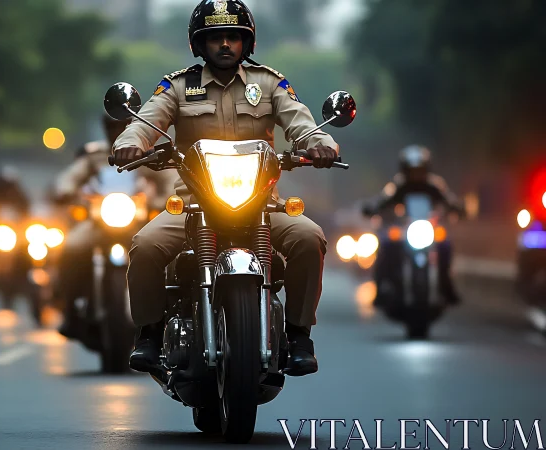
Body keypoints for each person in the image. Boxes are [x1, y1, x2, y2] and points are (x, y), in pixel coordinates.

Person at [111, 0, 340, 376]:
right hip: (193, 204)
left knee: (309, 237)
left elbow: (300, 121)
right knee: (146, 245)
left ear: (246, 43)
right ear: (198, 45)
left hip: (262, 202)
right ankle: (149, 335)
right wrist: (131, 143)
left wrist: (321, 144)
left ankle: (299, 336)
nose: (224, 45)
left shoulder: (269, 84)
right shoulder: (178, 86)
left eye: (233, 37)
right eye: (215, 38)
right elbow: (147, 121)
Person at [53, 115, 177, 339]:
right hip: (99, 223)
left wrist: (161, 200)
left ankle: (166, 311)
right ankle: (70, 309)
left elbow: (170, 180)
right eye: (112, 127)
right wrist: (66, 191)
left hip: (138, 222)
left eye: (122, 125)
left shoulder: (148, 153)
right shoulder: (96, 155)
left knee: (166, 252)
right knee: (70, 247)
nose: (117, 130)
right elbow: (70, 177)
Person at [363, 145, 464, 305]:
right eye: (412, 170)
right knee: (387, 246)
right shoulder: (398, 187)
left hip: (428, 230)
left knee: (445, 246)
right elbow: (383, 201)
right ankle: (381, 287)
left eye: (420, 169)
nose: (416, 174)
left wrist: (458, 208)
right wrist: (372, 208)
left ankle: (446, 285)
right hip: (404, 232)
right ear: (405, 170)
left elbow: (448, 200)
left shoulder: (434, 186)